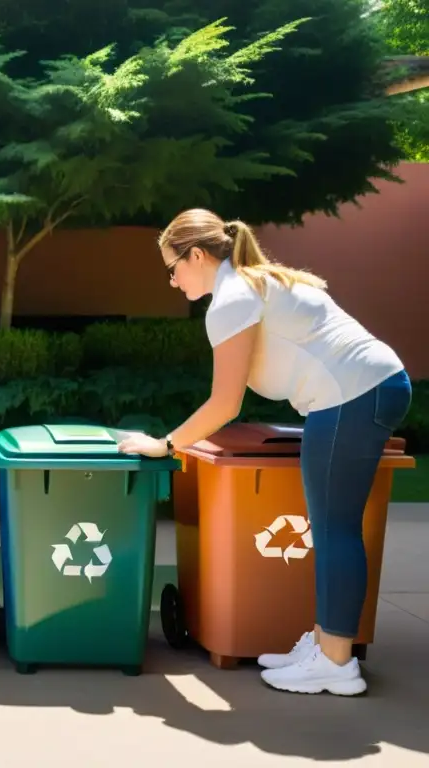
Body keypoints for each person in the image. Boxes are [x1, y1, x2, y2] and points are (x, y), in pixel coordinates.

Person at [117, 208, 412, 697]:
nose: (172, 281)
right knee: (332, 524)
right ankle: (325, 644)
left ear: (196, 255)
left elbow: (225, 404)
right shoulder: (254, 282)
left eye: (173, 268)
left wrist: (165, 444)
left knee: (335, 527)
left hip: (351, 395)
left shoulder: (232, 298)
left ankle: (336, 663)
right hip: (363, 389)